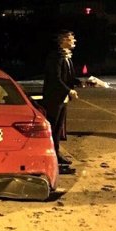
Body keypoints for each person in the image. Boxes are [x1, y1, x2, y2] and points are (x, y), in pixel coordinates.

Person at [42, 30, 83, 167]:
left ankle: (56, 153)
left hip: (62, 98)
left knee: (58, 128)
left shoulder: (67, 57)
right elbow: (55, 79)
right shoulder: (56, 57)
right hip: (54, 98)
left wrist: (81, 82)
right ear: (63, 40)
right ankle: (50, 154)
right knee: (52, 127)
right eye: (72, 38)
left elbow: (68, 78)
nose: (74, 41)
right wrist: (69, 90)